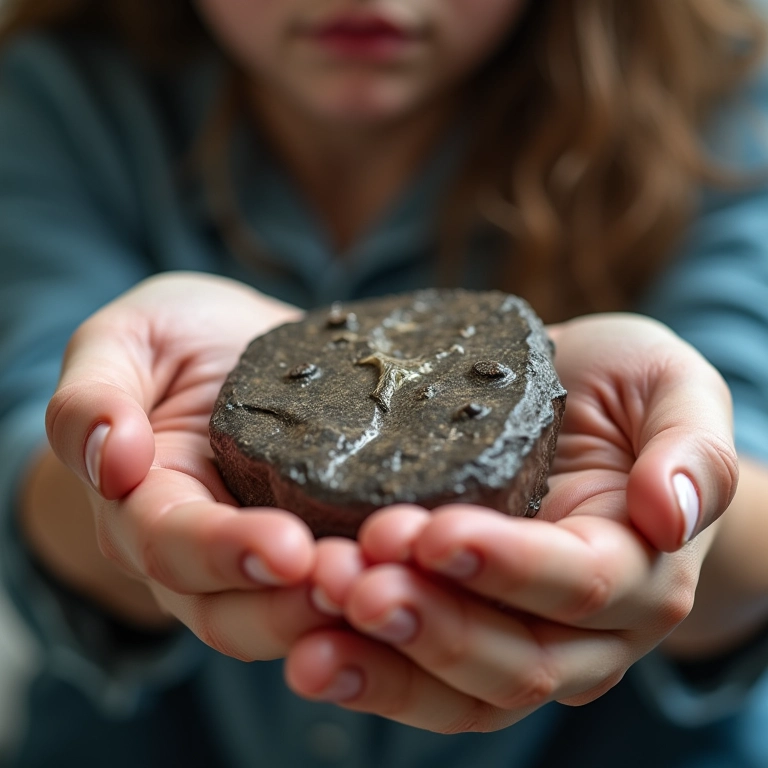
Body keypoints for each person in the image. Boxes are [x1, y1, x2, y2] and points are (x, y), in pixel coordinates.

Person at [1, 1, 768, 766]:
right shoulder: (59, 95)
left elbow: (749, 461)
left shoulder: (723, 98)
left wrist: (680, 514)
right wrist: (111, 486)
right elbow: (27, 449)